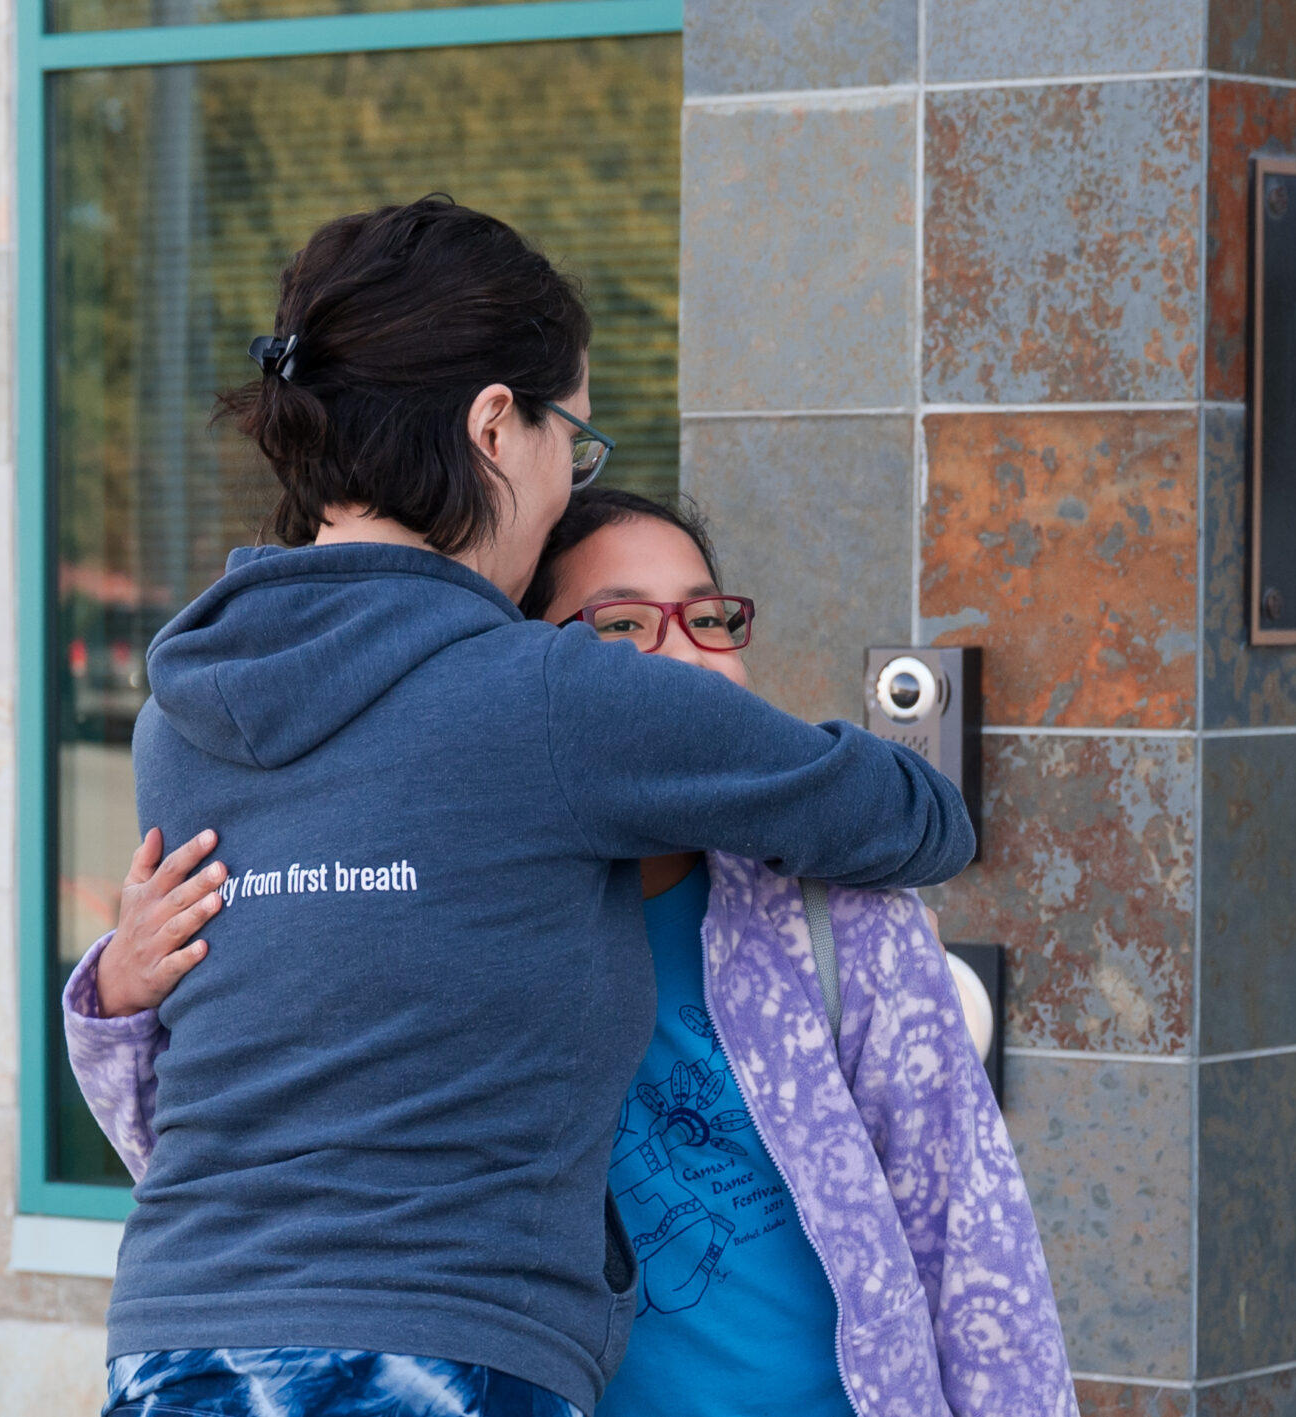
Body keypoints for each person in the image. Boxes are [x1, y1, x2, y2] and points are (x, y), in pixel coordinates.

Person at [70, 196, 976, 1417]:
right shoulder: (554, 698)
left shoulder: (183, 715)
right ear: (497, 424)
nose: (565, 488)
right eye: (574, 445)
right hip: (430, 1355)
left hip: (175, 1344)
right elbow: (912, 816)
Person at [74, 489, 1079, 1417]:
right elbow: (228, 1167)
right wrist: (120, 996)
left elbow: (970, 1240)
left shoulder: (836, 921)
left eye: (709, 616)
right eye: (620, 629)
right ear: (530, 674)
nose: (681, 660)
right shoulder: (436, 912)